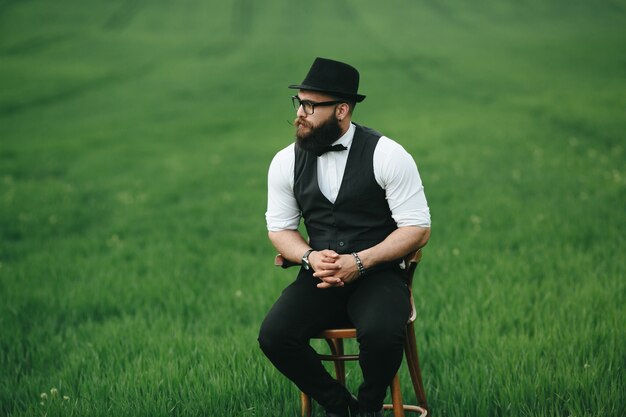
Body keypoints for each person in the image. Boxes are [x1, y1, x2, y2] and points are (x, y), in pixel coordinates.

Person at [258, 57, 431, 417]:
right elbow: (281, 229)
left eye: (310, 105)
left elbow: (417, 228)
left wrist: (360, 262)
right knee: (274, 336)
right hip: (320, 276)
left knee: (382, 334)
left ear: (341, 110)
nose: (300, 113)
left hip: (378, 275)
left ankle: (369, 409)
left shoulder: (387, 154)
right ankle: (342, 407)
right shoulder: (285, 161)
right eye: (299, 102)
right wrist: (308, 257)